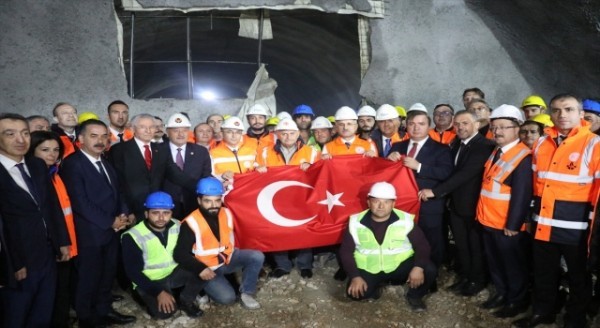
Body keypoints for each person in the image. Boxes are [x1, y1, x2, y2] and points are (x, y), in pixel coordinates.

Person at [514, 94, 600, 328]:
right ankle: (543, 313)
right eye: (557, 110)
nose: (562, 115)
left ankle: (575, 319)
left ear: (581, 114)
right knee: (543, 274)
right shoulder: (542, 142)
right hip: (543, 224)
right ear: (550, 114)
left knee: (578, 277)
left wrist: (594, 231)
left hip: (577, 228)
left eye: (569, 109)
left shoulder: (594, 143)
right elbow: (536, 184)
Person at [60, 119, 136, 327]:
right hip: (90, 234)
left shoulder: (105, 161)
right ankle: (87, 318)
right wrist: (110, 221)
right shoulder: (73, 164)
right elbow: (80, 202)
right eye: (94, 136)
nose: (100, 140)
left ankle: (103, 311)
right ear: (81, 139)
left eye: (104, 136)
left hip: (111, 231)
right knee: (87, 278)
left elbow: (118, 191)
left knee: (106, 275)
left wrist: (125, 213)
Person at [0, 113, 70, 327]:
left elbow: (52, 206)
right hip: (17, 261)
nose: (20, 140)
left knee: (43, 311)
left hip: (46, 253)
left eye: (25, 133)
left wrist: (62, 241)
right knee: (16, 314)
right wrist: (10, 263)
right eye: (10, 134)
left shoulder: (37, 165)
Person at [419, 110, 495, 296]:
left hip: (472, 206)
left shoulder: (484, 146)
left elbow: (463, 175)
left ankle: (477, 281)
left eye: (465, 123)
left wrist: (435, 192)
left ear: (477, 125)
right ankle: (466, 277)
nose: (460, 127)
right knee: (462, 245)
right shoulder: (456, 144)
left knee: (474, 246)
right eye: (458, 124)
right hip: (456, 206)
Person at [339, 182, 437, 312]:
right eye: (376, 201)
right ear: (368, 202)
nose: (381, 206)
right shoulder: (355, 222)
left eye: (386, 202)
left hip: (399, 266)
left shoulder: (405, 220)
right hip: (371, 268)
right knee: (355, 294)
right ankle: (377, 286)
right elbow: (346, 252)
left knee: (428, 269)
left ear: (393, 203)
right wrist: (355, 276)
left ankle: (415, 296)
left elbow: (422, 245)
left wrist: (418, 268)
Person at [173, 177, 265, 310]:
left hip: (225, 259)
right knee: (227, 299)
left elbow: (228, 238)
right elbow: (179, 254)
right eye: (208, 201)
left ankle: (247, 293)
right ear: (199, 201)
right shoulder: (191, 223)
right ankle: (201, 289)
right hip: (208, 268)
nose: (214, 205)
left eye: (217, 200)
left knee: (256, 256)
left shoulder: (226, 213)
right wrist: (201, 269)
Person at [476, 105, 532, 318]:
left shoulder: (523, 157)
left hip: (506, 226)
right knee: (495, 262)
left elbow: (522, 195)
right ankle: (502, 292)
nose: (497, 131)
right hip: (488, 220)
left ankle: (516, 300)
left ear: (517, 128)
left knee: (512, 264)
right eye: (494, 126)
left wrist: (513, 224)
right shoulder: (496, 152)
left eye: (503, 127)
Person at [121, 192, 204, 319]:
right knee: (165, 313)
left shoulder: (177, 225)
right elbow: (133, 272)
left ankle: (185, 301)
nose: (161, 218)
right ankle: (139, 295)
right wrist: (158, 292)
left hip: (173, 272)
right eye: (155, 213)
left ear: (171, 213)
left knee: (202, 270)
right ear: (146, 214)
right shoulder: (132, 236)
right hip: (151, 279)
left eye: (166, 213)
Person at [387, 110, 453, 269]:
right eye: (412, 124)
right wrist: (387, 160)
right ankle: (404, 270)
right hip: (401, 204)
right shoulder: (397, 146)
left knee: (431, 240)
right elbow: (386, 174)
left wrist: (420, 167)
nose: (416, 128)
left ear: (428, 126)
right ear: (406, 126)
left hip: (428, 204)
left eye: (421, 124)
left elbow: (447, 174)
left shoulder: (441, 149)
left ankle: (431, 275)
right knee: (403, 237)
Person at [255, 119, 320, 278]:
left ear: (298, 134)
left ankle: (305, 265)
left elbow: (321, 174)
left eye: (291, 133)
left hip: (302, 199)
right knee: (278, 231)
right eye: (283, 133)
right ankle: (283, 266)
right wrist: (258, 169)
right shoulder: (265, 152)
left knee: (304, 231)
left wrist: (311, 168)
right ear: (277, 135)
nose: (288, 136)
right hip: (274, 199)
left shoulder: (311, 152)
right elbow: (255, 171)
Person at [28, 130, 79, 328]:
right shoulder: (37, 179)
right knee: (51, 291)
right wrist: (60, 243)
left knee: (62, 288)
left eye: (56, 150)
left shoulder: (55, 174)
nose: (52, 154)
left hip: (65, 240)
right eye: (45, 150)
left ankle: (61, 320)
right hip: (51, 245)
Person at [108, 113, 196, 220]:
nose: (148, 131)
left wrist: (201, 186)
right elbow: (116, 183)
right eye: (143, 127)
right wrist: (125, 211)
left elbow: (176, 174)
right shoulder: (119, 150)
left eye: (151, 127)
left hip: (156, 209)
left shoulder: (161, 150)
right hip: (131, 212)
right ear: (133, 128)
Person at [163, 113, 212, 219]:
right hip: (164, 207)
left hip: (194, 205)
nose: (180, 134)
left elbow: (206, 176)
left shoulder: (200, 151)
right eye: (176, 131)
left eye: (184, 130)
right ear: (167, 132)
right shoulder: (158, 150)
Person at [209, 116, 257, 184]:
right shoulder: (212, 154)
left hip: (248, 192)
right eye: (229, 132)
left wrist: (259, 168)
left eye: (238, 132)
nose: (234, 135)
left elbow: (256, 168)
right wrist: (221, 177)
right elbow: (209, 178)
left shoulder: (251, 151)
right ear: (222, 133)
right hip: (227, 193)